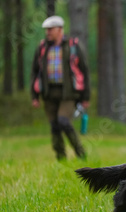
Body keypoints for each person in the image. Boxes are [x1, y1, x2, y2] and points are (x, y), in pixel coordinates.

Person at [31, 15, 90, 160]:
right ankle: (60, 157)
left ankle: (80, 152)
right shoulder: (42, 47)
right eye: (46, 30)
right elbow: (34, 71)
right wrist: (34, 96)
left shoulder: (73, 46)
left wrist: (85, 97)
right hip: (48, 92)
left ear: (60, 29)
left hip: (68, 93)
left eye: (50, 29)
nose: (47, 32)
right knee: (54, 125)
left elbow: (84, 70)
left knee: (63, 121)